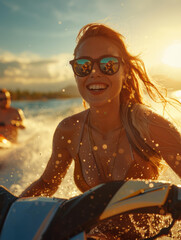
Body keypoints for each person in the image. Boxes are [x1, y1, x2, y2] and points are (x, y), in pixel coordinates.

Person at [20, 23, 181, 239]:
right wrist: (13, 212)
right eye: (84, 66)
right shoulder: (68, 131)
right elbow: (47, 184)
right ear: (76, 72)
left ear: (124, 71)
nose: (95, 73)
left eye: (108, 64)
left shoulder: (151, 127)